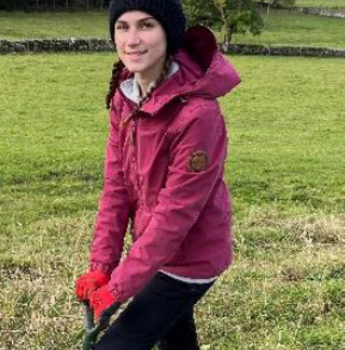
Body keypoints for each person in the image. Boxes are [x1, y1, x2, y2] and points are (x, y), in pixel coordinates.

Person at [75, 0, 240, 349]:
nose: (132, 39)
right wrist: (101, 265)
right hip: (154, 252)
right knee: (176, 339)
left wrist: (118, 286)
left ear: (170, 34)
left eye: (146, 25)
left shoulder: (198, 114)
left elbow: (175, 216)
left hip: (191, 260)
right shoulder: (125, 97)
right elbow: (116, 188)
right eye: (123, 27)